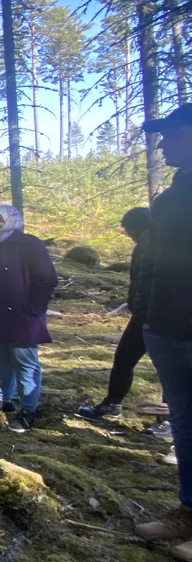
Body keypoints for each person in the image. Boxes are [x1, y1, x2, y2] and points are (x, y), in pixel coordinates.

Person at [132, 104, 192, 557]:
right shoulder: (172, 198)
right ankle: (188, 511)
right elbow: (155, 262)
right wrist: (148, 315)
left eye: (170, 134)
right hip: (168, 328)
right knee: (185, 424)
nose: (161, 144)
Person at [0, 205, 58, 433]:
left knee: (24, 363)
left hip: (19, 316)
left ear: (10, 221)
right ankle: (3, 401)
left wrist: (33, 310)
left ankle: (28, 410)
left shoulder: (28, 244)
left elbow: (47, 279)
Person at [78, 208, 160, 424]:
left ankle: (167, 419)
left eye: (130, 230)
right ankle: (112, 404)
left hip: (163, 320)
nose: (129, 235)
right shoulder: (140, 249)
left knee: (167, 370)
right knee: (123, 359)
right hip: (140, 317)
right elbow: (138, 283)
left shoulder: (165, 249)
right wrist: (135, 307)